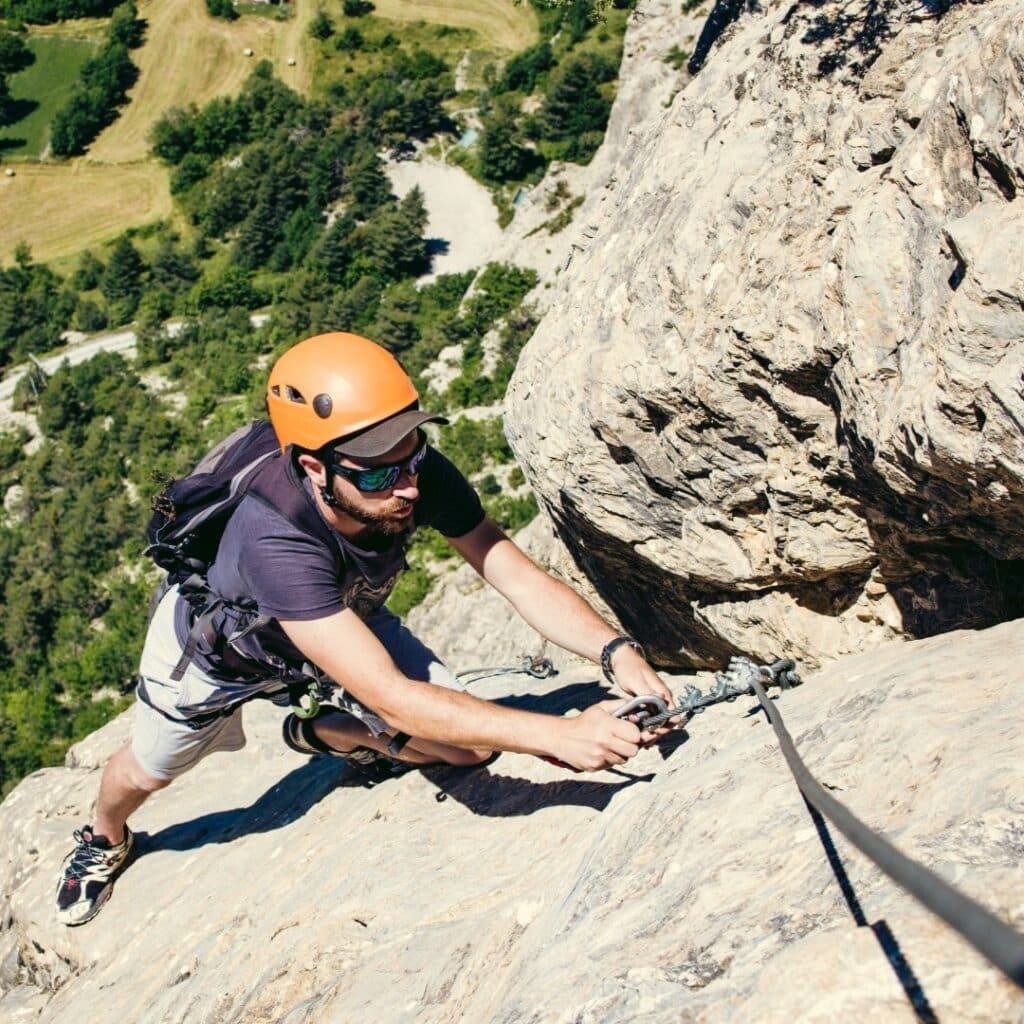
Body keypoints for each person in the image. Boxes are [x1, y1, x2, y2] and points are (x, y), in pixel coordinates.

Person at [56, 332, 675, 926]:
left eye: (413, 458)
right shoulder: (274, 540)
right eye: (379, 474)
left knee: (472, 749)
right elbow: (394, 697)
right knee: (146, 772)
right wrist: (558, 734)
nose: (407, 487)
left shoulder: (404, 468)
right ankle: (103, 839)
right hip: (223, 655)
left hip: (342, 616)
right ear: (314, 467)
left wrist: (616, 651)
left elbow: (512, 573)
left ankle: (325, 731)